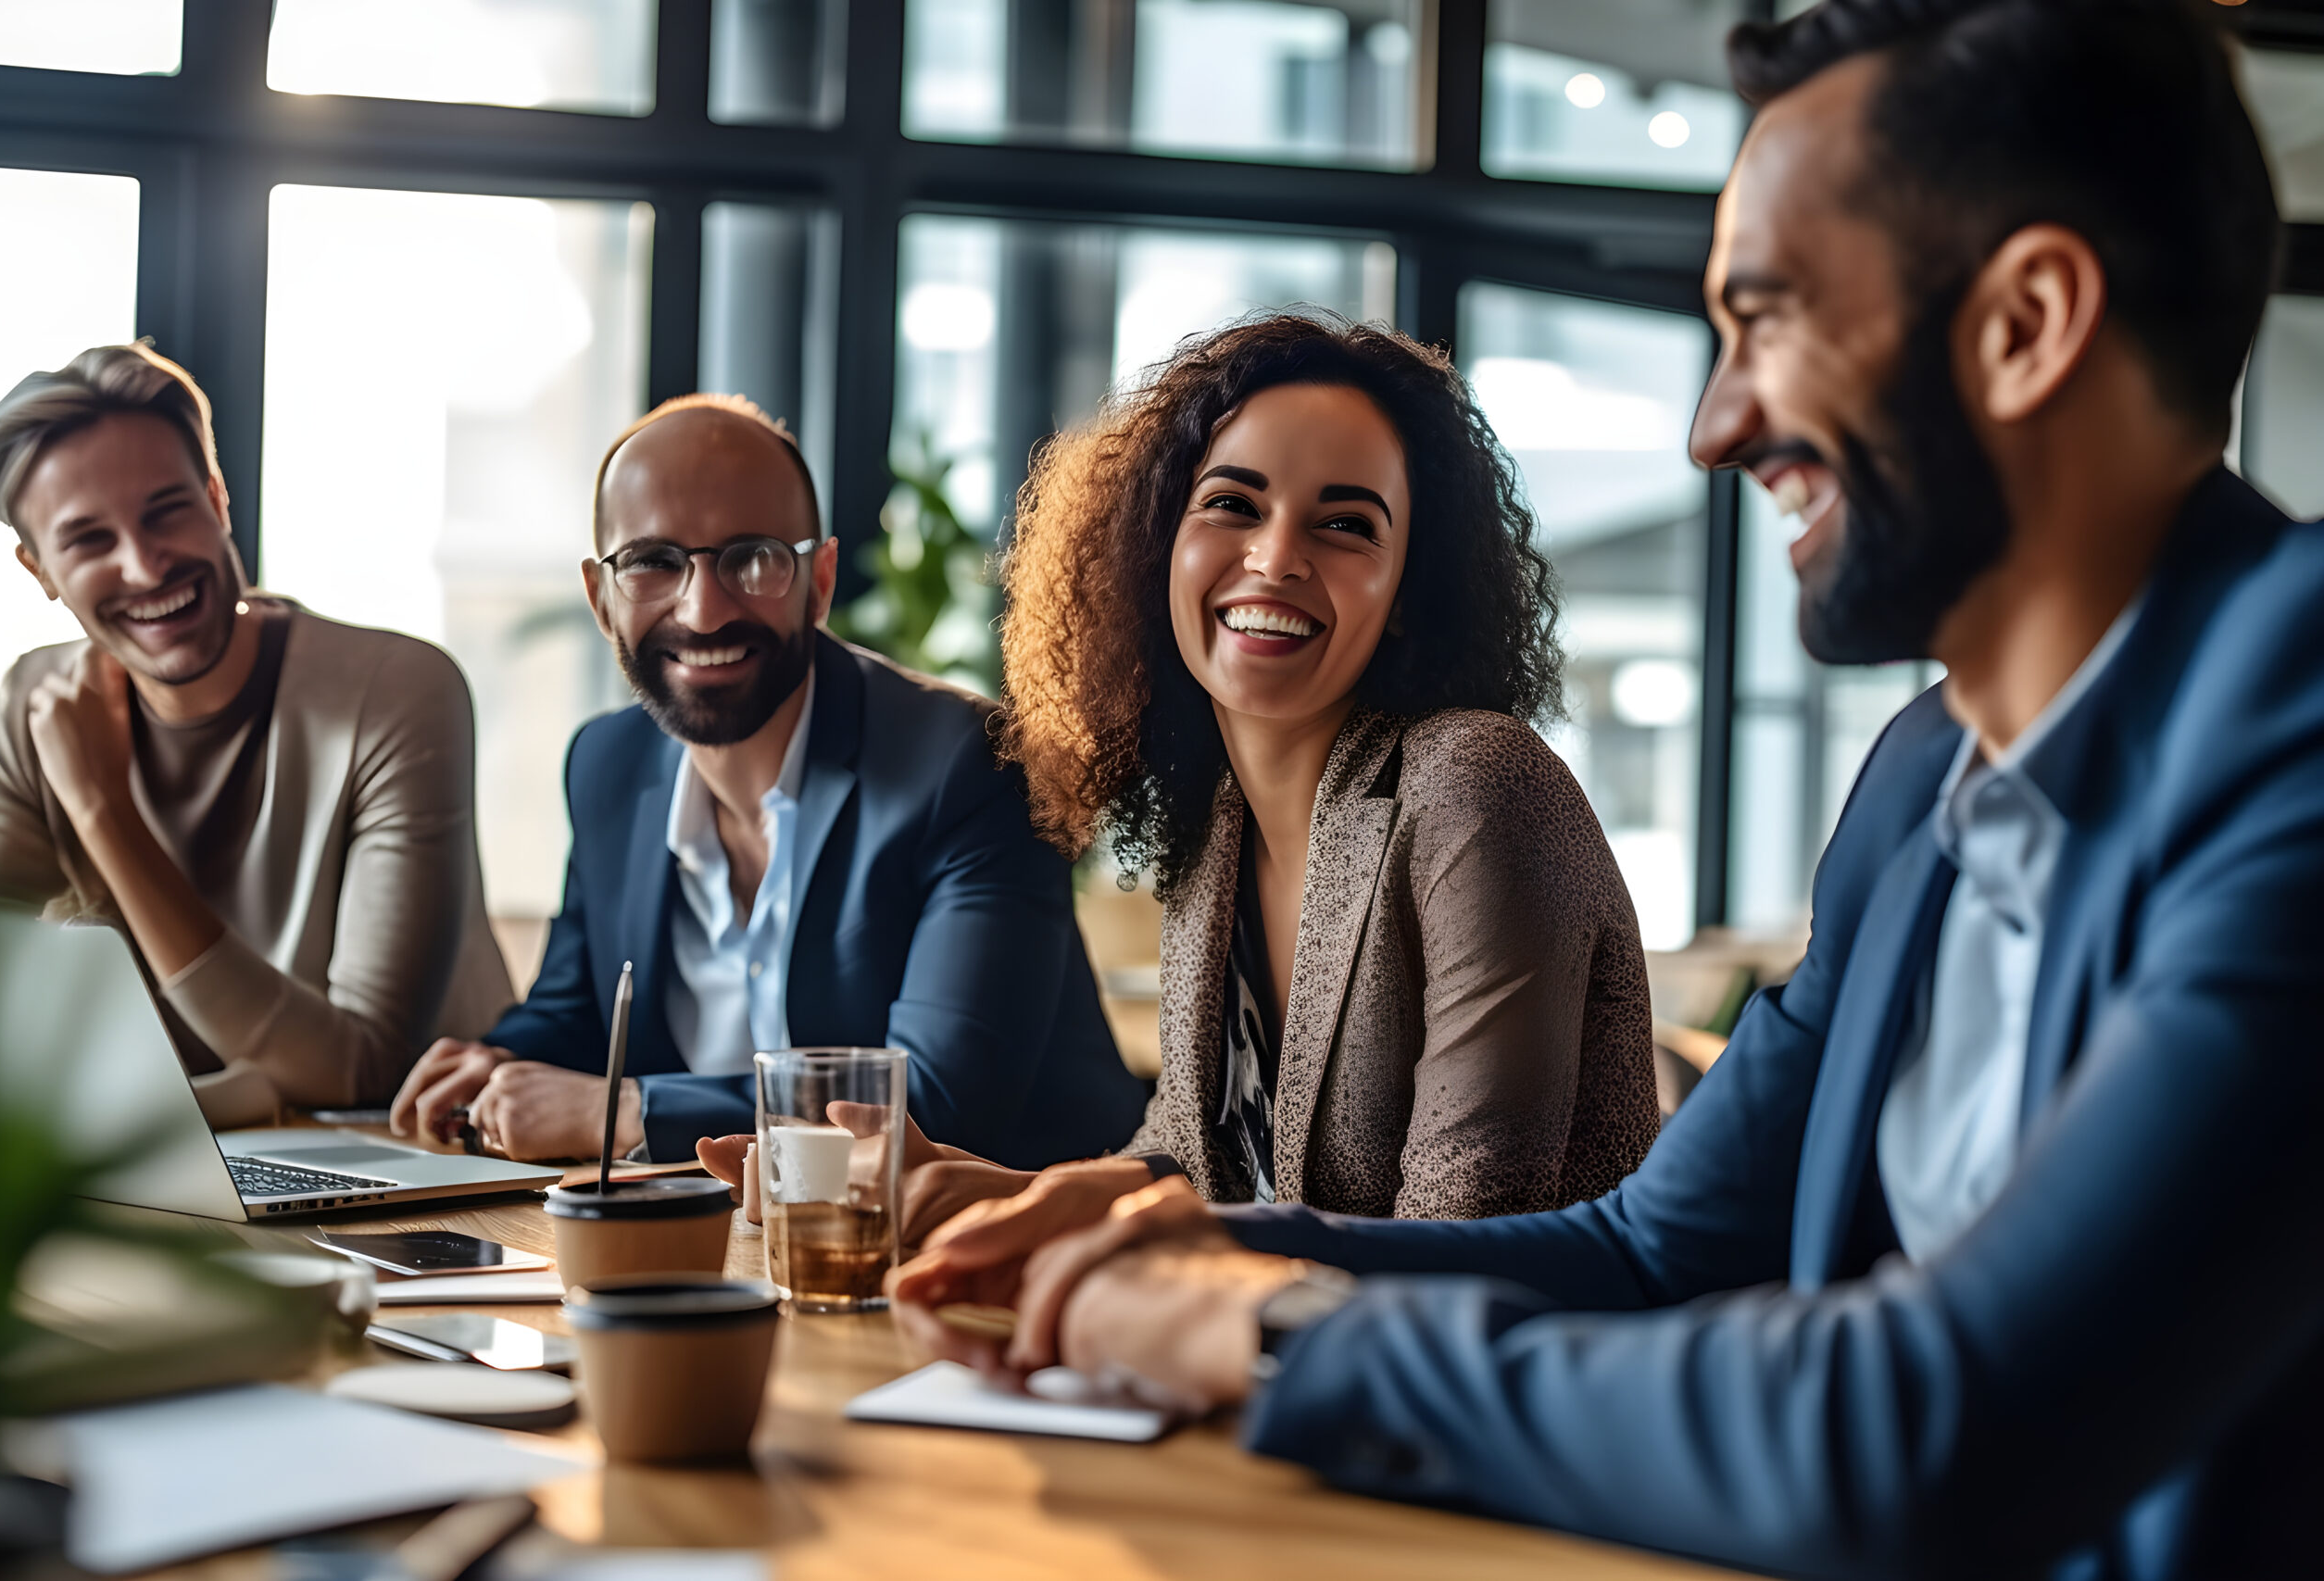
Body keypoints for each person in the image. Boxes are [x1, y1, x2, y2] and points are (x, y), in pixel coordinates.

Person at [889, 2, 2324, 1575]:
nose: (1717, 427)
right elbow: (1648, 1249)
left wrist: (1279, 1333)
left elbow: (1938, 1420)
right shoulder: (1921, 784)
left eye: (1765, 320)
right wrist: (1185, 1247)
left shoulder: (2293, 723)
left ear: (2027, 323)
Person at [741, 318, 1657, 1237]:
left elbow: (1465, 1238)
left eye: (1345, 525)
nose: (1275, 557)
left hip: (1500, 1370)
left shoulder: (1474, 789)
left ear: (1410, 592)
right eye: (1233, 504)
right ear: (1154, 550)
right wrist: (990, 1192)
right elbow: (1190, 1155)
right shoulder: (1221, 819)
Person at [388, 394, 1148, 1167]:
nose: (705, 609)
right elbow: (580, 1014)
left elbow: (937, 1106)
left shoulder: (972, 766)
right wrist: (497, 1064)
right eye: (653, 561)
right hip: (735, 1237)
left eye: (751, 558)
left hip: (1013, 1248)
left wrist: (630, 1111)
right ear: (601, 598)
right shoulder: (605, 765)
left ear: (819, 581)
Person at [0, 342, 512, 1124]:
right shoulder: (35, 708)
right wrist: (240, 1093)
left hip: (429, 1174)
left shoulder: (394, 694)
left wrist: (103, 812)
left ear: (216, 499)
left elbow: (363, 1066)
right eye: (87, 541)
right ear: (39, 569)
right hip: (184, 1179)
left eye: (166, 511)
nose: (145, 566)